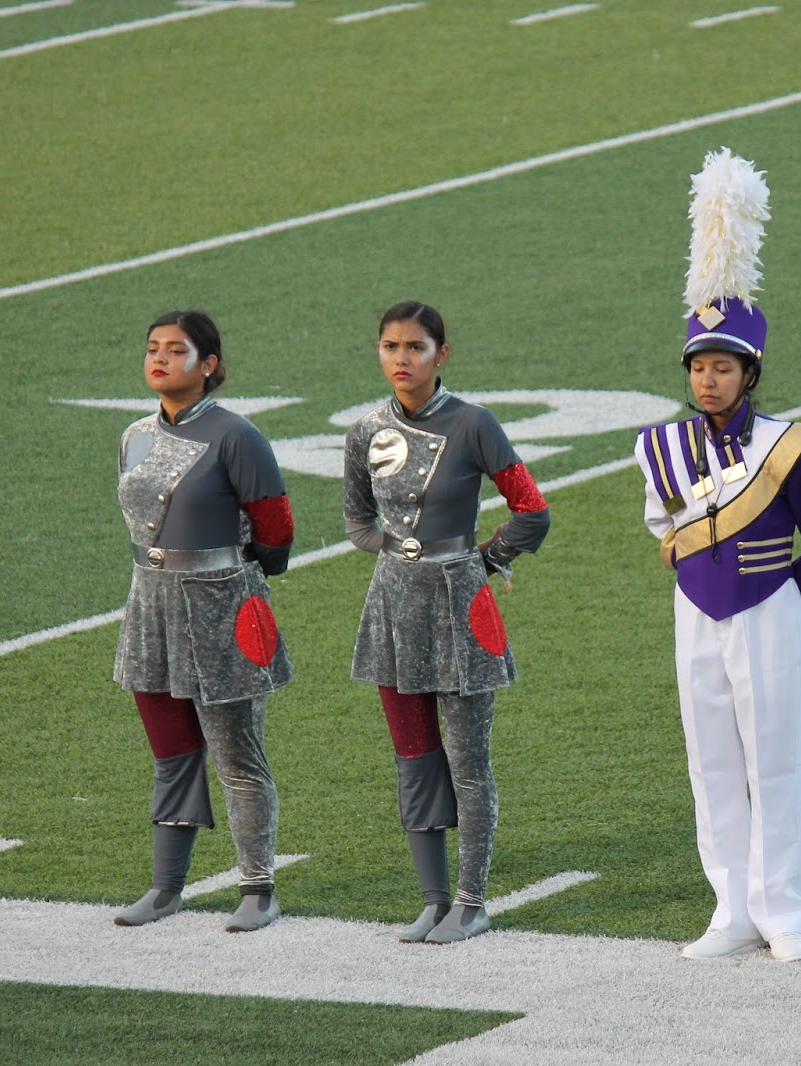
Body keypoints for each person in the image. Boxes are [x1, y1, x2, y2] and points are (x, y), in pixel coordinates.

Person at [636, 148, 801, 964]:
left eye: (722, 366)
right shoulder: (657, 445)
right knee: (711, 761)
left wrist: (785, 591)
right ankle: (729, 908)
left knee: (775, 761)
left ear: (748, 372)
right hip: (694, 610)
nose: (708, 379)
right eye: (698, 366)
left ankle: (784, 913)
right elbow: (663, 524)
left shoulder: (788, 445)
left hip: (766, 609)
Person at [343, 300, 550, 945]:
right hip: (392, 604)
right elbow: (356, 521)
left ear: (442, 354)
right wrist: (398, 556)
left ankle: (472, 900)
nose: (401, 359)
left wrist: (485, 560)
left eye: (415, 347)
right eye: (390, 347)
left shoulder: (474, 424)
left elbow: (532, 510)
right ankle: (433, 900)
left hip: (461, 604)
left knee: (468, 762)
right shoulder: (364, 429)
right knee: (413, 757)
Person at [112, 309, 295, 932]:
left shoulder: (237, 436)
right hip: (150, 604)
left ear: (209, 364)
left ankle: (258, 889)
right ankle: (166, 889)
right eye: (152, 347)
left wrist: (237, 578)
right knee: (172, 754)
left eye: (177, 350)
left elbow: (276, 530)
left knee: (238, 757)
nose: (159, 359)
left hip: (221, 604)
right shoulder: (134, 434)